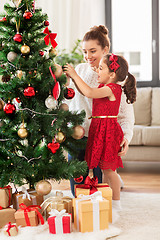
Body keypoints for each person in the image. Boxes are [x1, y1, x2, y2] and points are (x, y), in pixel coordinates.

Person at [65, 25, 135, 197]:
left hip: (100, 136)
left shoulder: (116, 79)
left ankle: (107, 201)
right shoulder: (81, 70)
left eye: (93, 51)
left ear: (105, 49)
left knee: (99, 183)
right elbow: (67, 97)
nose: (88, 56)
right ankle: (83, 206)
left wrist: (125, 137)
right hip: (78, 135)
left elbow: (126, 116)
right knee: (78, 188)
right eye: (84, 52)